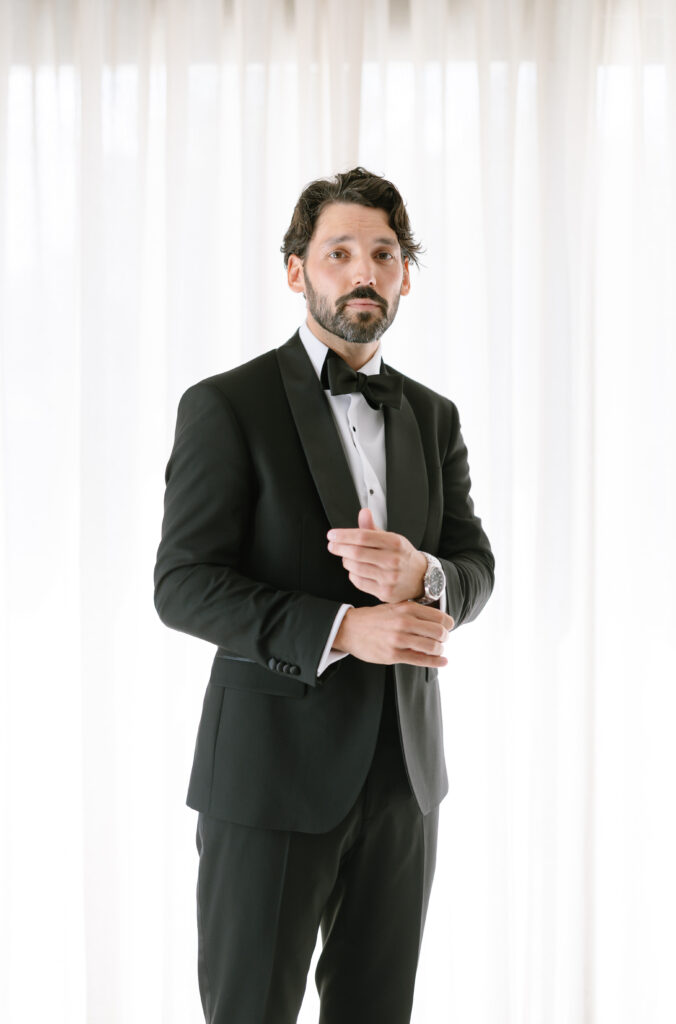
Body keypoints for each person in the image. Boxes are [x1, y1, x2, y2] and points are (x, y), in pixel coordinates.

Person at [154, 167, 494, 1024]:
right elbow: (182, 585)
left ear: (406, 275)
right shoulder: (226, 405)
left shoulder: (435, 416)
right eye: (339, 252)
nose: (363, 272)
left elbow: (475, 565)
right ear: (296, 271)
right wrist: (345, 629)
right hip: (268, 778)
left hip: (405, 779)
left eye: (384, 254)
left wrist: (425, 577)